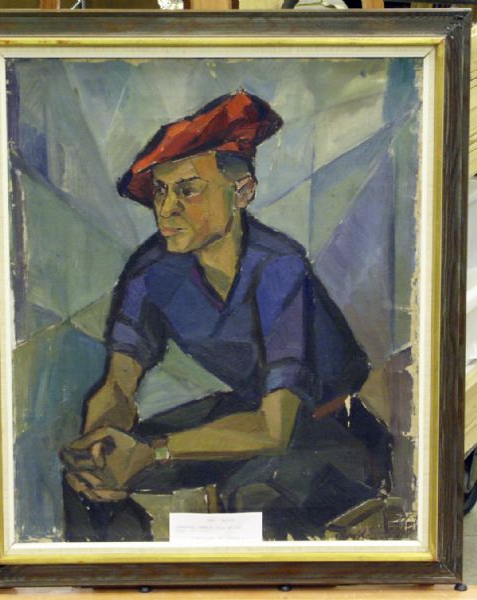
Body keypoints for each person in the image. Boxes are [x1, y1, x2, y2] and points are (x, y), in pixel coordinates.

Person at [60, 90, 390, 542]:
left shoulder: (279, 267)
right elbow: (119, 381)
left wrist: (152, 453)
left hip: (327, 428)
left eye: (188, 189)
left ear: (243, 192)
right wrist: (100, 445)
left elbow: (275, 428)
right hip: (247, 410)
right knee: (88, 490)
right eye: (160, 190)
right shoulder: (153, 269)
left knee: (253, 493)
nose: (165, 209)